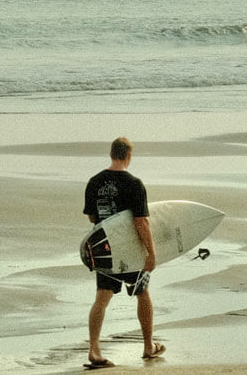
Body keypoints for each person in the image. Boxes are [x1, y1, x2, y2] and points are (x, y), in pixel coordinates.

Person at [82, 137, 166, 367]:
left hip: (106, 250)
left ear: (111, 154)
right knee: (142, 292)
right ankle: (148, 346)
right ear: (128, 156)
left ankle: (94, 349)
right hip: (131, 250)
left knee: (102, 298)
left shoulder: (94, 182)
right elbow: (141, 223)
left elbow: (92, 217)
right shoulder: (134, 184)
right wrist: (151, 253)